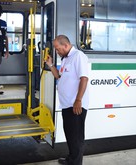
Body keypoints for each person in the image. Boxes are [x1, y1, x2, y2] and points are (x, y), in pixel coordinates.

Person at [45, 35, 89, 165]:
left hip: (75, 105)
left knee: (76, 138)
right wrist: (51, 65)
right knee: (70, 136)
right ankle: (71, 159)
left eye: (58, 49)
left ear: (65, 45)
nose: (57, 52)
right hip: (66, 105)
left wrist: (78, 100)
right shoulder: (65, 59)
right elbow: (59, 76)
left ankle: (75, 163)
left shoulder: (78, 56)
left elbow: (84, 78)